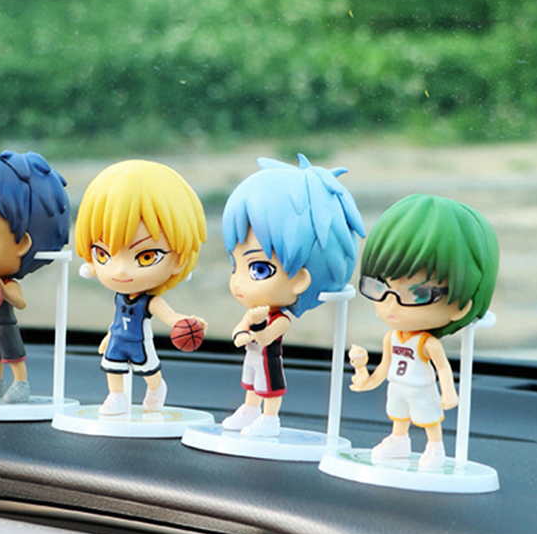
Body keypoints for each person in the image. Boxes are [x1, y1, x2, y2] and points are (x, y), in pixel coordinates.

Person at [348, 193, 499, 469]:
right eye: (380, 286)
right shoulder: (392, 337)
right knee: (398, 415)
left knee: (429, 419)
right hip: (397, 386)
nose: (391, 304)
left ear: (461, 306)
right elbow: (384, 367)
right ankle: (398, 440)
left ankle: (435, 446)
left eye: (419, 294)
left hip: (421, 388)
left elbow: (442, 368)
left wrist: (448, 392)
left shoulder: (427, 344)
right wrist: (365, 378)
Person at [221, 156, 365, 437]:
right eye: (234, 266)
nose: (238, 283)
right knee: (250, 384)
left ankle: (269, 418)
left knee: (269, 388)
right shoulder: (255, 311)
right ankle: (249, 409)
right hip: (253, 358)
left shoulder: (280, 317)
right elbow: (241, 328)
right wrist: (241, 333)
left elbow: (266, 337)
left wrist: (256, 329)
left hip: (268, 359)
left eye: (258, 269)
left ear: (300, 280)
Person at [75, 159, 207, 415]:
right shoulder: (119, 297)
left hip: (139, 341)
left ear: (178, 259)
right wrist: (109, 335)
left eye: (146, 257)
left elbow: (170, 316)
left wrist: (185, 322)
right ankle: (117, 396)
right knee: (112, 368)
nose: (121, 271)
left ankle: (157, 388)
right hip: (118, 338)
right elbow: (117, 319)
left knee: (149, 369)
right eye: (103, 254)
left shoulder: (149, 301)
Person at [0, 150, 70, 403]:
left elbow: (20, 303)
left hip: (6, 326)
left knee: (13, 356)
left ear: (23, 242)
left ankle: (20, 383)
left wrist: (4, 290)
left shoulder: (6, 283)